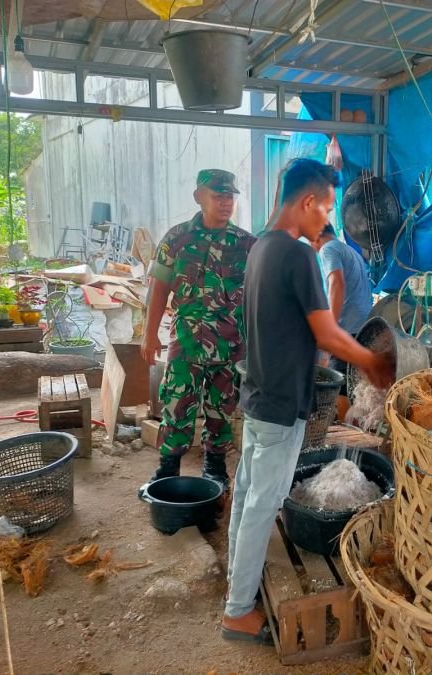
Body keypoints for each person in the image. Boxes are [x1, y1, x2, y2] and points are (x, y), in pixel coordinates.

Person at [220, 159, 393, 643]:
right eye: (326, 208)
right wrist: (372, 363)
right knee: (261, 504)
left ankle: (239, 588)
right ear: (307, 202)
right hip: (279, 402)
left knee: (248, 495)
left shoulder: (259, 248)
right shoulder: (297, 255)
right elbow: (326, 332)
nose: (327, 220)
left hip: (256, 393)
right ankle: (237, 612)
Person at [140, 169, 256, 490]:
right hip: (186, 341)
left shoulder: (246, 244)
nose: (225, 202)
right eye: (218, 195)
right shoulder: (177, 238)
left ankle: (215, 466)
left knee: (221, 408)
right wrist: (150, 334)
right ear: (199, 197)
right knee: (177, 402)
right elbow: (159, 286)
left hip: (230, 344)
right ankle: (168, 466)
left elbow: (262, 293)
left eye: (229, 196)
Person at [310, 224, 373, 376]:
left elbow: (336, 283)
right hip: (363, 328)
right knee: (353, 384)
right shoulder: (351, 252)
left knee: (337, 387)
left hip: (346, 329)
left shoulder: (328, 249)